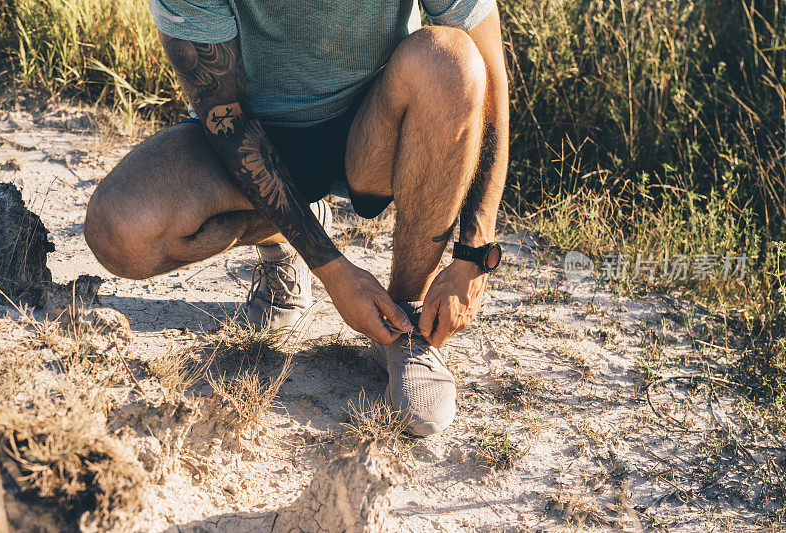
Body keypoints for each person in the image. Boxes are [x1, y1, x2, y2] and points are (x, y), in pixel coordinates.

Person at [83, 0, 509, 436]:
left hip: (374, 129)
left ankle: (406, 323)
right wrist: (332, 269)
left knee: (450, 60)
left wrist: (475, 256)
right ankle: (292, 237)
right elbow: (225, 116)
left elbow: (491, 80)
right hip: (256, 133)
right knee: (119, 231)